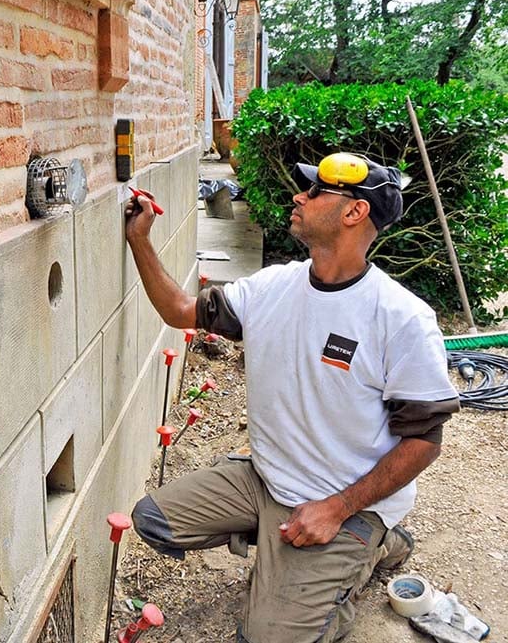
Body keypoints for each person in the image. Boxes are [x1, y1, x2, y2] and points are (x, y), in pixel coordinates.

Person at [124, 153, 460, 642]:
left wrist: (337, 508)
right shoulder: (272, 287)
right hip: (267, 480)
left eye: (316, 191)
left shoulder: (401, 318)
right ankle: (287, 550)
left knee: (263, 638)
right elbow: (180, 311)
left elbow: (425, 442)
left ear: (354, 213)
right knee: (152, 520)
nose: (299, 197)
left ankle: (368, 548)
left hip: (341, 499)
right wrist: (139, 239)